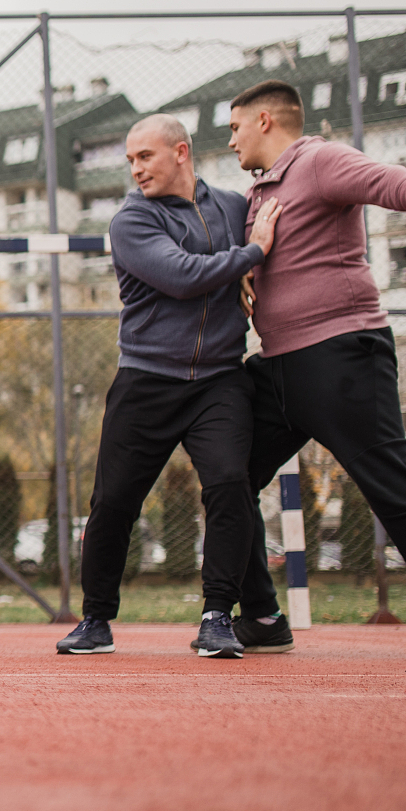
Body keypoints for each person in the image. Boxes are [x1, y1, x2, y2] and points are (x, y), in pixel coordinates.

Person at [228, 79, 406, 658]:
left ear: (263, 122)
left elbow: (385, 180)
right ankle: (260, 614)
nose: (230, 142)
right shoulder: (259, 193)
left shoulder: (319, 160)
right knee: (225, 476)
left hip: (340, 356)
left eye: (233, 129)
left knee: (388, 484)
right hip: (277, 365)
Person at [56, 114, 283, 659]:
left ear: (180, 152)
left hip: (220, 379)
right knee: (112, 502)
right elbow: (183, 275)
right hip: (147, 379)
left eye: (145, 157)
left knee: (230, 485)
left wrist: (255, 269)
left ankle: (217, 617)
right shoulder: (130, 222)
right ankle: (95, 620)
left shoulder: (233, 206)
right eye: (130, 160)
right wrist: (253, 254)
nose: (135, 170)